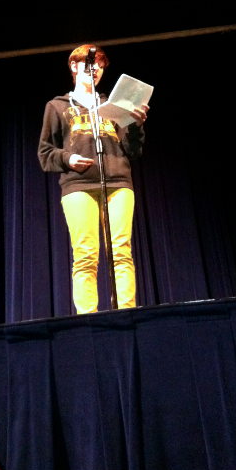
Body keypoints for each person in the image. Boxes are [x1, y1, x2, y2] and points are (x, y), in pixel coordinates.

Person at [38, 44, 148, 314]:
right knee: (86, 255)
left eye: (100, 65)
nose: (96, 69)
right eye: (90, 63)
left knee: (121, 252)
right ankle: (88, 319)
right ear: (74, 67)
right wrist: (68, 159)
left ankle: (127, 314)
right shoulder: (57, 106)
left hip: (118, 182)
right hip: (78, 186)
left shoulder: (113, 105)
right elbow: (45, 152)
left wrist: (136, 125)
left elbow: (132, 150)